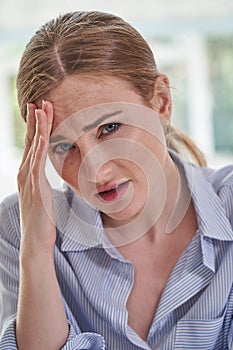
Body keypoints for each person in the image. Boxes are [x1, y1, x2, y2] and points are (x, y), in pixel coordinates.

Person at [0, 10, 232, 350]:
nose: (95, 172)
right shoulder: (19, 229)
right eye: (63, 146)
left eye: (109, 128)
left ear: (162, 102)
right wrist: (36, 249)